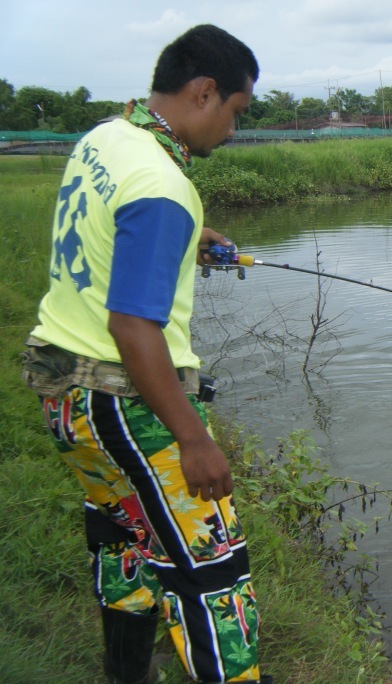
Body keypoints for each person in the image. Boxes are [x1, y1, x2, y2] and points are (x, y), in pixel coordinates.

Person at [22, 24, 268, 683]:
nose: (233, 131)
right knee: (211, 569)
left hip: (63, 394)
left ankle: (127, 675)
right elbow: (134, 327)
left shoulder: (107, 138)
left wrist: (189, 237)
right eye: (236, 114)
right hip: (128, 407)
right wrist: (193, 438)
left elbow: (111, 237)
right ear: (203, 92)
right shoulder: (162, 187)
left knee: (123, 538)